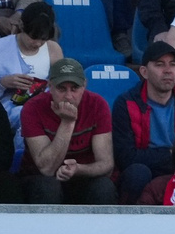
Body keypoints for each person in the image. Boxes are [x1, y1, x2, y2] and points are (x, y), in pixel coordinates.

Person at [17, 56, 117, 202]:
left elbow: (106, 164)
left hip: (84, 177)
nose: (68, 96)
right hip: (40, 178)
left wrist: (78, 169)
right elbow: (47, 168)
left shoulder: (98, 105)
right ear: (50, 86)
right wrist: (67, 122)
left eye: (75, 88)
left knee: (104, 187)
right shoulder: (32, 108)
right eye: (61, 88)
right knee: (48, 186)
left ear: (84, 85)